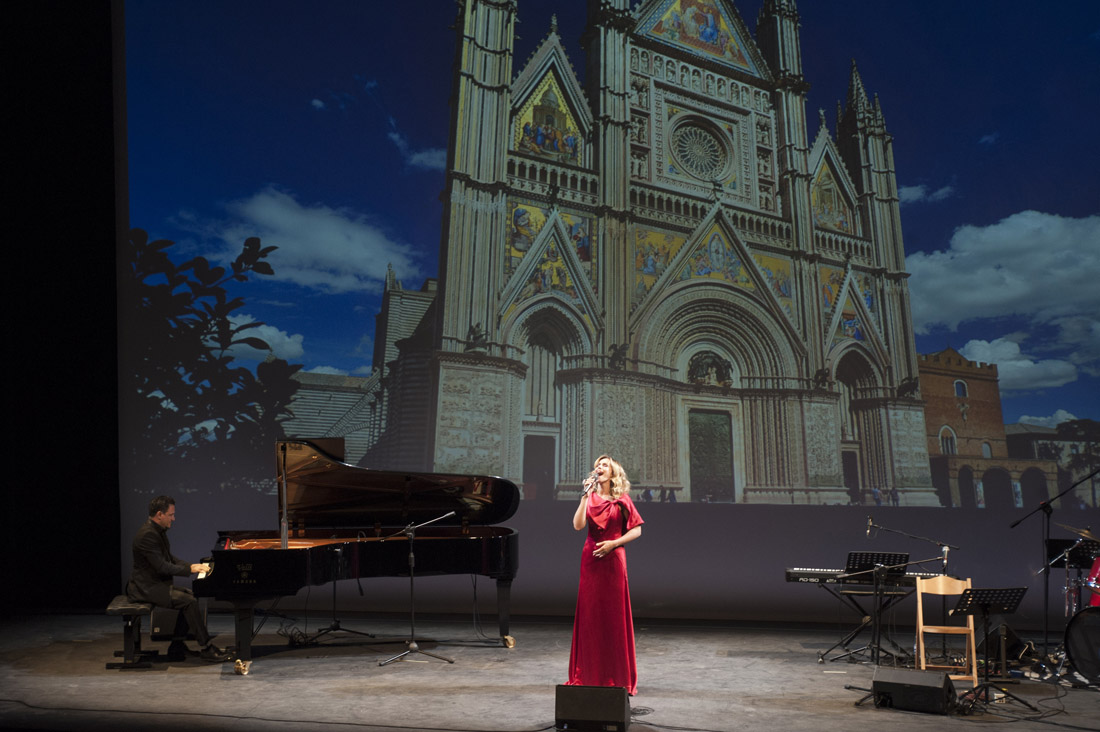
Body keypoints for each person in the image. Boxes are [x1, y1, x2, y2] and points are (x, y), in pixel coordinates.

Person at [566, 455, 644, 695]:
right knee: (590, 615)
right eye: (597, 465)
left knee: (613, 616)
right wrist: (584, 496)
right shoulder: (589, 497)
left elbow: (637, 530)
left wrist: (614, 543)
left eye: (604, 465)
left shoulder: (622, 499)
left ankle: (616, 675)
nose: (599, 468)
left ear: (613, 473)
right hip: (591, 559)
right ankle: (588, 674)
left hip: (613, 559)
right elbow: (578, 526)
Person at [127, 495, 229, 661]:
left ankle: (177, 647)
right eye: (171, 515)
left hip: (153, 584)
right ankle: (206, 647)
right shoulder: (148, 535)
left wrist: (191, 565)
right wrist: (190, 569)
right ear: (159, 514)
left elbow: (170, 558)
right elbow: (162, 566)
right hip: (145, 588)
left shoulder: (157, 531)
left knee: (189, 597)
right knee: (188, 601)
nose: (173, 519)